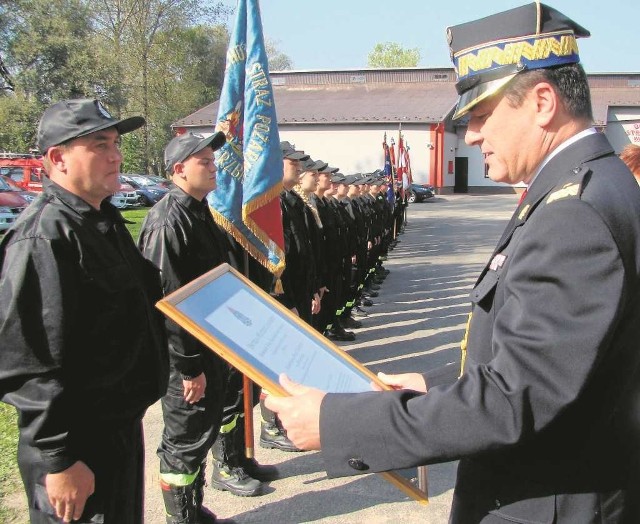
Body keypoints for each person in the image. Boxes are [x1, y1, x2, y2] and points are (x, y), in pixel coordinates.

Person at [266, 3, 640, 522]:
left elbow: (514, 398)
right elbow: (544, 362)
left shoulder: (573, 213)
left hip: (546, 498)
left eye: (483, 116)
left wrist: (339, 425)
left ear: (542, 102)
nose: (472, 136)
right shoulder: (589, 187)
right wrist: (436, 384)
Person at [0, 98, 169, 523]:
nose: (116, 156)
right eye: (99, 145)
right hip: (77, 446)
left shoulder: (101, 223)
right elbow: (28, 364)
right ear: (57, 158)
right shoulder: (44, 237)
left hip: (115, 433)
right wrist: (59, 460)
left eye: (115, 143)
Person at [138, 131, 252, 522]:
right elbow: (169, 304)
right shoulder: (169, 221)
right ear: (178, 170)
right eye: (204, 161)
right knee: (184, 441)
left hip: (208, 345)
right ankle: (180, 518)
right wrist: (189, 366)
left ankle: (194, 509)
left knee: (202, 430)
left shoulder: (199, 212)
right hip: (184, 356)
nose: (213, 166)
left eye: (211, 159)